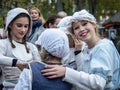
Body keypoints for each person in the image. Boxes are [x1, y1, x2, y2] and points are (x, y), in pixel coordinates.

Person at [41, 10, 120, 90]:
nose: (81, 29)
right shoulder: (86, 49)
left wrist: (66, 72)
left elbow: (98, 83)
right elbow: (84, 77)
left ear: (94, 24)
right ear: (73, 33)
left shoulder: (103, 47)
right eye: (76, 28)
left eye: (84, 24)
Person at [0, 7, 41, 90]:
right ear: (10, 24)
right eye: (19, 25)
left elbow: (39, 67)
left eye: (26, 26)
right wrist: (16, 62)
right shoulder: (3, 44)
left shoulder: (32, 47)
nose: (23, 30)